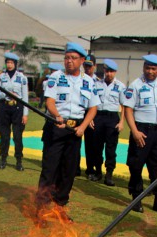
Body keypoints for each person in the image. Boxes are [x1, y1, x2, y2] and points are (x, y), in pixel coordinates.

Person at [36, 42, 99, 209]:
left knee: (68, 171)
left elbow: (93, 108)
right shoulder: (56, 77)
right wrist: (57, 116)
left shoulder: (88, 81)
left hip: (75, 131)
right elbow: (50, 101)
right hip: (56, 127)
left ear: (82, 60)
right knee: (50, 169)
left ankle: (60, 206)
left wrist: (83, 126)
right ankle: (42, 207)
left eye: (73, 58)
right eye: (67, 58)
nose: (69, 61)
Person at [121, 54, 157, 214]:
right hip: (142, 130)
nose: (150, 71)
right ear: (144, 68)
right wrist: (134, 131)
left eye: (154, 69)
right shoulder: (135, 85)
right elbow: (128, 109)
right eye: (148, 68)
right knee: (136, 165)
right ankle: (136, 198)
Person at [90, 59, 125, 187]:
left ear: (115, 72)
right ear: (104, 71)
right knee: (96, 147)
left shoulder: (120, 86)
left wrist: (122, 122)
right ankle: (98, 172)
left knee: (111, 148)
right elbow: (92, 103)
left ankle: (109, 175)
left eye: (112, 71)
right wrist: (91, 119)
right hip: (98, 117)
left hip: (112, 118)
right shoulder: (96, 84)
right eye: (107, 71)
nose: (109, 74)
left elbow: (124, 106)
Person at [0, 52, 29, 171]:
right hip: (4, 107)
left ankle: (19, 161)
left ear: (15, 64)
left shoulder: (22, 77)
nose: (9, 65)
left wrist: (25, 114)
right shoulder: (1, 77)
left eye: (11, 63)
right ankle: (3, 159)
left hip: (17, 108)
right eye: (7, 62)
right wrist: (6, 94)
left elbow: (25, 97)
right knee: (4, 136)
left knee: (17, 136)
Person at [82, 54, 103, 180]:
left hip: (94, 115)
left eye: (89, 66)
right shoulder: (79, 79)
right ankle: (84, 168)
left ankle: (95, 169)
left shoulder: (99, 82)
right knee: (81, 143)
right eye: (85, 66)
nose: (87, 68)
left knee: (94, 144)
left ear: (94, 66)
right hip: (81, 112)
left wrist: (91, 118)